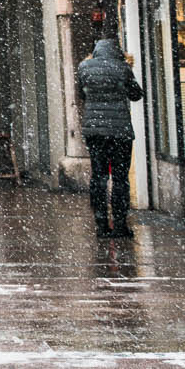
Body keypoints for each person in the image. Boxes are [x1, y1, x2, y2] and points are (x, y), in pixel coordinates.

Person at [76, 35, 144, 238]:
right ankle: (121, 224)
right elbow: (136, 95)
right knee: (120, 178)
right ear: (117, 51)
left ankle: (101, 225)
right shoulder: (122, 67)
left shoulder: (84, 67)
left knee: (98, 176)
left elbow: (82, 94)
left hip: (94, 131)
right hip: (119, 132)